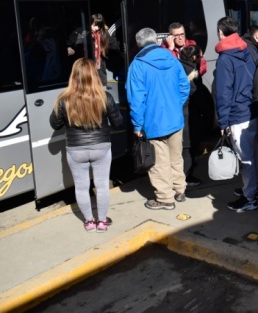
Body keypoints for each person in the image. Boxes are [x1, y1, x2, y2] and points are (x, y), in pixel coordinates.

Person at [50, 58, 123, 232]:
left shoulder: (63, 99)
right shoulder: (105, 97)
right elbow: (118, 122)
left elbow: (55, 124)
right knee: (102, 185)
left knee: (81, 187)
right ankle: (103, 222)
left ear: (73, 76)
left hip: (76, 150)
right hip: (101, 148)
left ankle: (89, 222)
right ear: (94, 75)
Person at [126, 28, 190, 210]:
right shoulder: (171, 58)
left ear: (138, 44)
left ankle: (164, 198)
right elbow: (184, 85)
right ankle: (179, 190)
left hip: (153, 123)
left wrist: (137, 125)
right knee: (175, 157)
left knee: (158, 162)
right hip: (175, 119)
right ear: (155, 41)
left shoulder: (137, 65)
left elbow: (136, 99)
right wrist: (175, 105)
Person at [214, 16, 258, 211]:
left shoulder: (225, 58)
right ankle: (252, 189)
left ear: (220, 33)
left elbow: (223, 93)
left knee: (245, 157)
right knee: (252, 154)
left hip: (238, 113)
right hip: (252, 108)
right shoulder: (248, 49)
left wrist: (222, 122)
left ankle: (250, 198)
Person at [67, 13, 122, 86]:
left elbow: (114, 45)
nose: (96, 28)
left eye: (99, 26)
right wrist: (69, 48)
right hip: (85, 65)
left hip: (99, 68)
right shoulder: (83, 33)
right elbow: (70, 41)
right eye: (94, 25)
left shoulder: (104, 34)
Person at [178, 45, 205, 187]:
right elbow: (196, 95)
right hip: (188, 114)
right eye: (200, 56)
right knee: (187, 147)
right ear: (194, 57)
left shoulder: (177, 67)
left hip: (178, 114)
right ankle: (187, 177)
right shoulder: (192, 71)